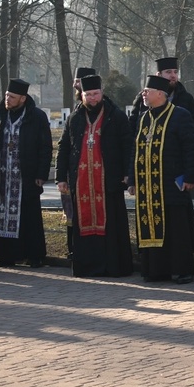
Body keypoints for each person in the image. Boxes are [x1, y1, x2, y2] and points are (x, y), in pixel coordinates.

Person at [56, 75, 133, 277]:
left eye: (95, 94)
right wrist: (60, 177)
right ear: (81, 95)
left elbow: (128, 146)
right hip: (81, 181)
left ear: (102, 93)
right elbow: (64, 148)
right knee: (83, 225)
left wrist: (128, 173)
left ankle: (112, 267)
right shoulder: (75, 118)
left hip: (109, 181)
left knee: (111, 225)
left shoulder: (115, 116)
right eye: (88, 94)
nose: (92, 98)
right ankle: (87, 267)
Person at [128, 75, 194, 284]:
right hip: (147, 187)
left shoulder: (180, 115)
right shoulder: (144, 118)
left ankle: (183, 270)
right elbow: (135, 150)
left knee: (176, 229)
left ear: (160, 94)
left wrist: (190, 176)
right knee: (151, 225)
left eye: (147, 91)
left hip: (171, 184)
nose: (143, 94)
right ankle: (156, 270)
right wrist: (132, 179)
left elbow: (190, 147)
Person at [0, 79, 52, 268]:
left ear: (23, 98)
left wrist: (42, 173)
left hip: (27, 176)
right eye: (6, 95)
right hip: (3, 177)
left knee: (29, 217)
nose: (7, 99)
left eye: (12, 97)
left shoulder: (36, 116)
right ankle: (5, 256)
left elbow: (45, 147)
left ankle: (34, 256)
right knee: (2, 216)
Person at [63, 66, 96, 259]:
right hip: (74, 171)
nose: (75, 85)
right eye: (75, 81)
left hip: (92, 172)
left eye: (78, 82)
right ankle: (73, 247)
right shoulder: (76, 111)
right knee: (72, 212)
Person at [128, 56, 194, 136]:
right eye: (168, 72)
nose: (173, 75)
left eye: (175, 72)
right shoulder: (143, 98)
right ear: (159, 75)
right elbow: (132, 127)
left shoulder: (186, 99)